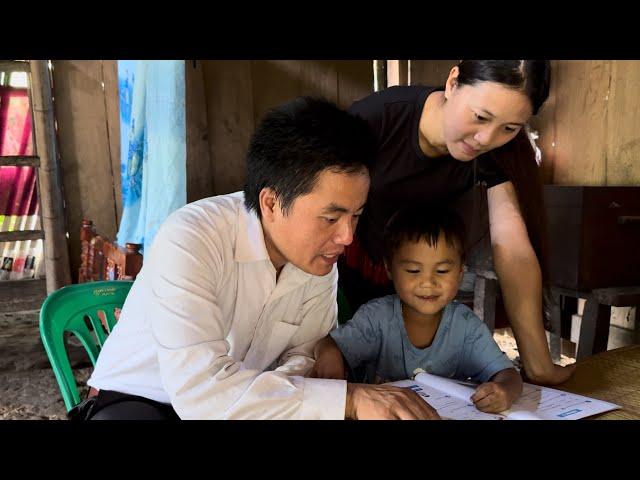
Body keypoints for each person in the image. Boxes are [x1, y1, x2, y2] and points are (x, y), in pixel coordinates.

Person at [73, 96, 438, 420]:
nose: (347, 236)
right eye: (330, 218)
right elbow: (201, 396)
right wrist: (347, 399)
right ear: (271, 203)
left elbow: (307, 351)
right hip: (141, 399)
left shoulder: (319, 259)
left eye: (356, 215)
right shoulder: (192, 239)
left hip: (245, 399)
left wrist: (298, 384)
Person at [339, 60, 575, 386]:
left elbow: (513, 249)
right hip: (343, 275)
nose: (485, 139)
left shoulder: (501, 152)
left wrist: (537, 363)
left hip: (419, 280)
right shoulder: (376, 120)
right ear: (453, 82)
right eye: (480, 117)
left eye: (509, 128)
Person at [313, 206, 523, 414]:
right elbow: (331, 345)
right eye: (413, 270)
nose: (428, 282)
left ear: (460, 272)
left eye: (442, 270)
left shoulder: (466, 327)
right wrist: (330, 354)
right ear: (389, 269)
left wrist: (503, 391)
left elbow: (508, 374)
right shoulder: (377, 319)